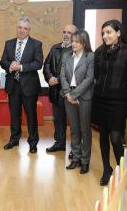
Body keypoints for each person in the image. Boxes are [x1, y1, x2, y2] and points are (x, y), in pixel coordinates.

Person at [94, 19, 127, 186]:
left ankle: (121, 169)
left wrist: (124, 96)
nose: (105, 36)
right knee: (103, 136)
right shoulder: (99, 52)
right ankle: (107, 169)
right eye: (103, 33)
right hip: (100, 101)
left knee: (115, 137)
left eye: (109, 32)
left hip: (119, 103)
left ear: (118, 32)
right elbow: (96, 75)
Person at [0, 17, 43, 153]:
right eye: (20, 27)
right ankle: (14, 139)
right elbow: (3, 62)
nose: (22, 30)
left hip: (29, 86)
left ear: (29, 30)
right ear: (17, 28)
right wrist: (10, 66)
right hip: (13, 85)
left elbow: (38, 63)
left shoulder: (36, 44)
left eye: (25, 28)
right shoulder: (9, 43)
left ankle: (33, 142)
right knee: (14, 115)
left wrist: (21, 67)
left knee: (31, 115)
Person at [60, 30, 94, 174]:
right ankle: (76, 157)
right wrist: (68, 93)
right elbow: (62, 76)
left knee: (85, 130)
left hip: (84, 97)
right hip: (69, 96)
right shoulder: (66, 56)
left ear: (84, 43)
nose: (72, 43)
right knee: (74, 129)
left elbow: (89, 78)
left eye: (76, 41)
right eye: (72, 41)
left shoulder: (90, 57)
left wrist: (74, 95)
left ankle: (85, 161)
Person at [43, 24, 78, 159]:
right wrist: (49, 77)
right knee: (58, 120)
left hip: (71, 92)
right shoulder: (55, 48)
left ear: (75, 35)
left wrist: (62, 80)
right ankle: (60, 143)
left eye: (69, 32)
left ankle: (75, 148)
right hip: (56, 92)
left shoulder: (77, 50)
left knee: (74, 122)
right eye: (64, 31)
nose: (66, 34)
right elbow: (46, 65)